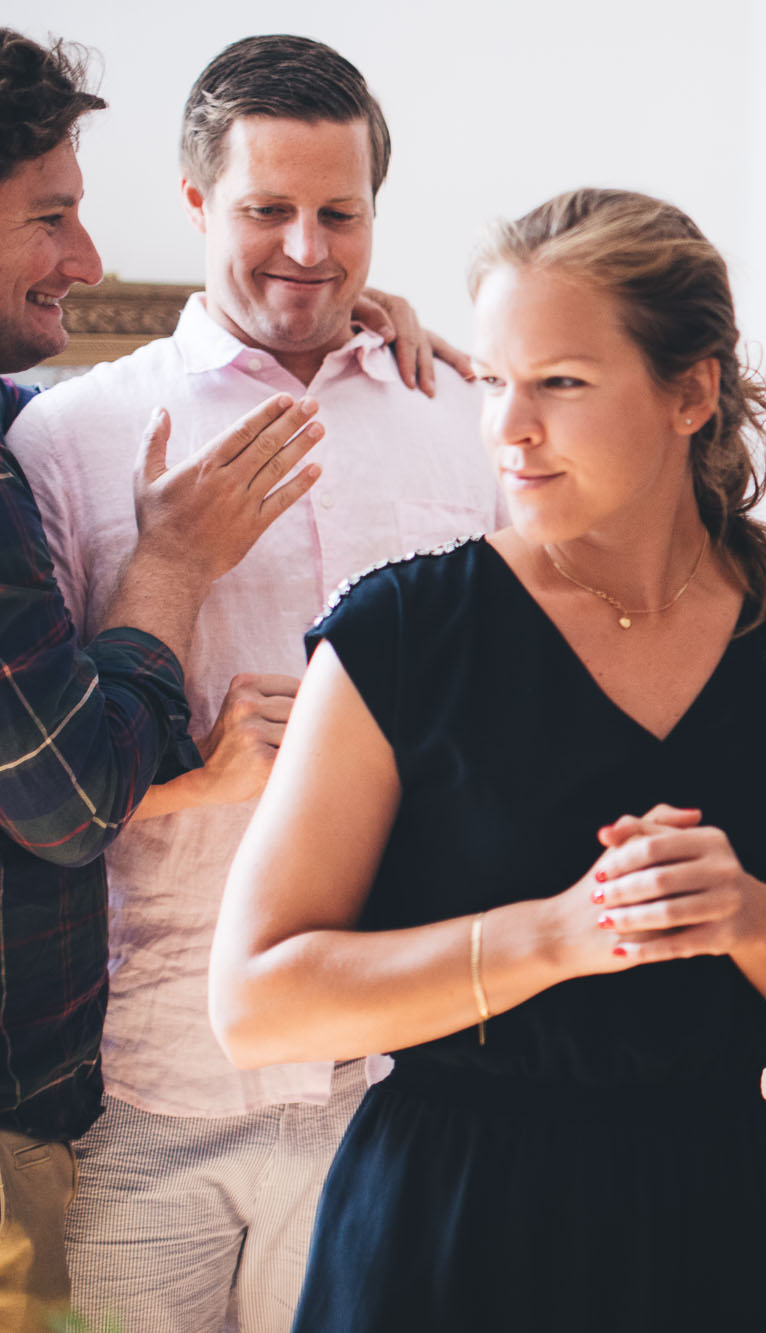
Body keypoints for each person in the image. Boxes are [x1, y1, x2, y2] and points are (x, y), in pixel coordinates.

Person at [207, 186, 766, 1332]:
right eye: (493, 381)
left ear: (692, 391)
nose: (508, 428)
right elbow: (254, 1003)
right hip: (446, 1225)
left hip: (708, 1227)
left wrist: (751, 919)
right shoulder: (401, 635)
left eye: (561, 384)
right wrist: (553, 936)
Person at [6, 34, 500, 1332]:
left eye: (340, 214)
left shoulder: (459, 411)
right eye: (265, 210)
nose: (306, 249)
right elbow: (37, 769)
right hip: (144, 1090)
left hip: (395, 1073)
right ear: (192, 206)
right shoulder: (66, 438)